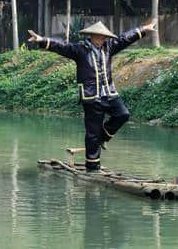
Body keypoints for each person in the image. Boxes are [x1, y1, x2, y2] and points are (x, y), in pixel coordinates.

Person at [27, 18, 157, 173]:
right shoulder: (80, 50)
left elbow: (124, 38)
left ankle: (103, 137)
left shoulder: (109, 47)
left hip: (109, 94)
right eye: (98, 37)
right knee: (92, 133)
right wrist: (42, 40)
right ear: (91, 36)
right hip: (91, 97)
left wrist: (143, 29)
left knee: (123, 114)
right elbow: (62, 46)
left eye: (103, 37)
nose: (100, 40)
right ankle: (93, 168)